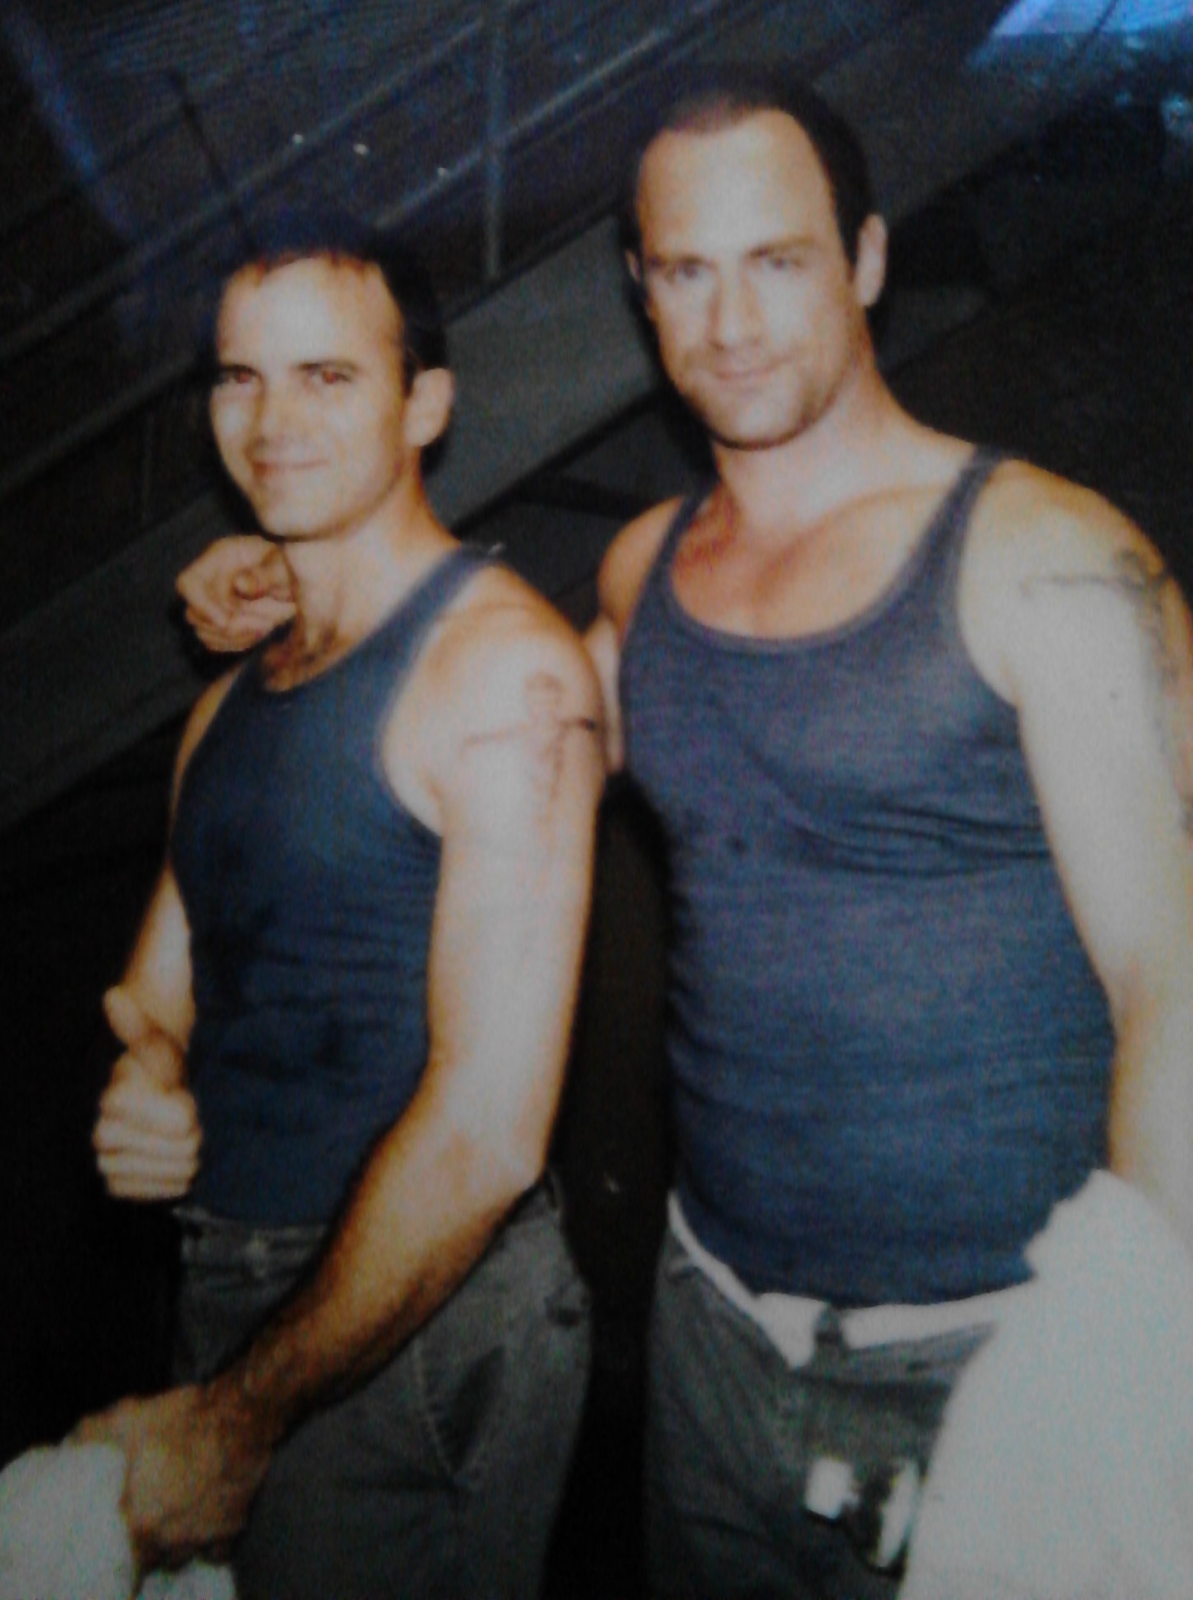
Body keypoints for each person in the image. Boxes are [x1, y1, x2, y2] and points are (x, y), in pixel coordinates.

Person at [175, 70, 1193, 1599]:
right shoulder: (645, 573)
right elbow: (480, 721)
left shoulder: (1048, 559)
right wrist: (300, 567)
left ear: (865, 259)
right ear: (641, 292)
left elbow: (1176, 986)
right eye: (686, 272)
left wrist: (1119, 1368)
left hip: (992, 1366)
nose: (731, 322)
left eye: (777, 261)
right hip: (712, 1348)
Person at [82, 214, 604, 1600]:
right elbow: (163, 992)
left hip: (408, 1315)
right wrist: (148, 1080)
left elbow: (489, 1133)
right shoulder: (224, 705)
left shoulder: (501, 673)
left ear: (425, 404)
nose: (272, 422)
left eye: (327, 376)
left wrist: (233, 1423)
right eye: (240, 378)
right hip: (237, 1290)